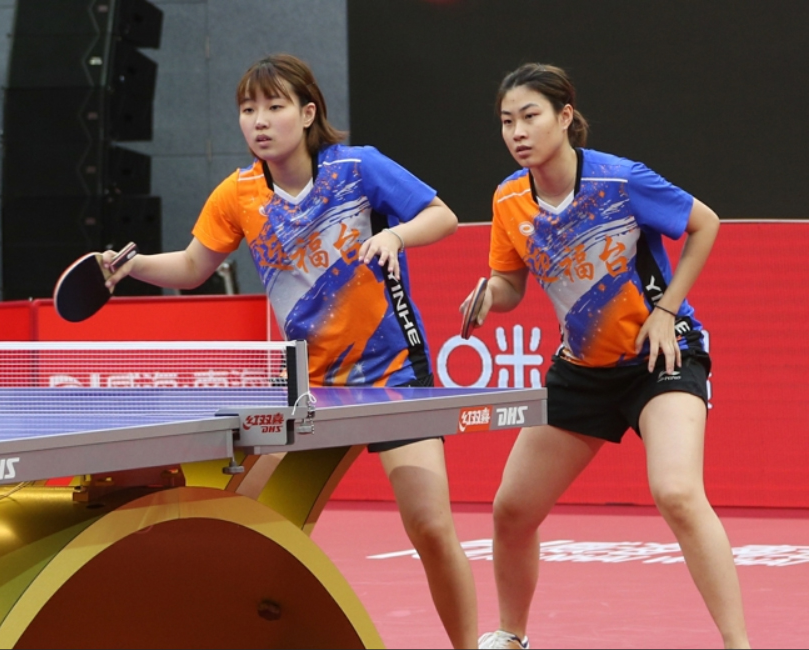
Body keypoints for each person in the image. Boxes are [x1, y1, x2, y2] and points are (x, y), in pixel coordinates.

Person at [103, 53, 480, 648]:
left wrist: (394, 234)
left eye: (274, 106)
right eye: (247, 109)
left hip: (392, 377)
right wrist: (131, 266)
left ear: (307, 114)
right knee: (237, 524)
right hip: (308, 388)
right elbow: (194, 266)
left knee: (431, 528)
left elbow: (443, 217)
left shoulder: (358, 168)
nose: (259, 120)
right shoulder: (239, 194)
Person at [462, 63, 750, 650]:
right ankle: (511, 635)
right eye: (507, 122)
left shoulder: (620, 180)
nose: (518, 132)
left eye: (530, 116)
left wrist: (666, 310)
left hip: (659, 356)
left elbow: (705, 224)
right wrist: (490, 295)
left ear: (565, 117)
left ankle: (738, 644)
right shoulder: (509, 198)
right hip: (582, 370)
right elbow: (511, 284)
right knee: (512, 510)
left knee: (676, 492)